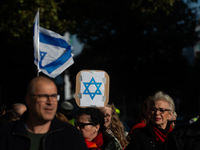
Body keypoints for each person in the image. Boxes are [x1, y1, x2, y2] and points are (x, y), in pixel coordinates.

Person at [0, 76, 87, 150]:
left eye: (54, 96)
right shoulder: (6, 134)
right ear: (28, 99)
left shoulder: (72, 136)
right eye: (43, 96)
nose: (50, 102)